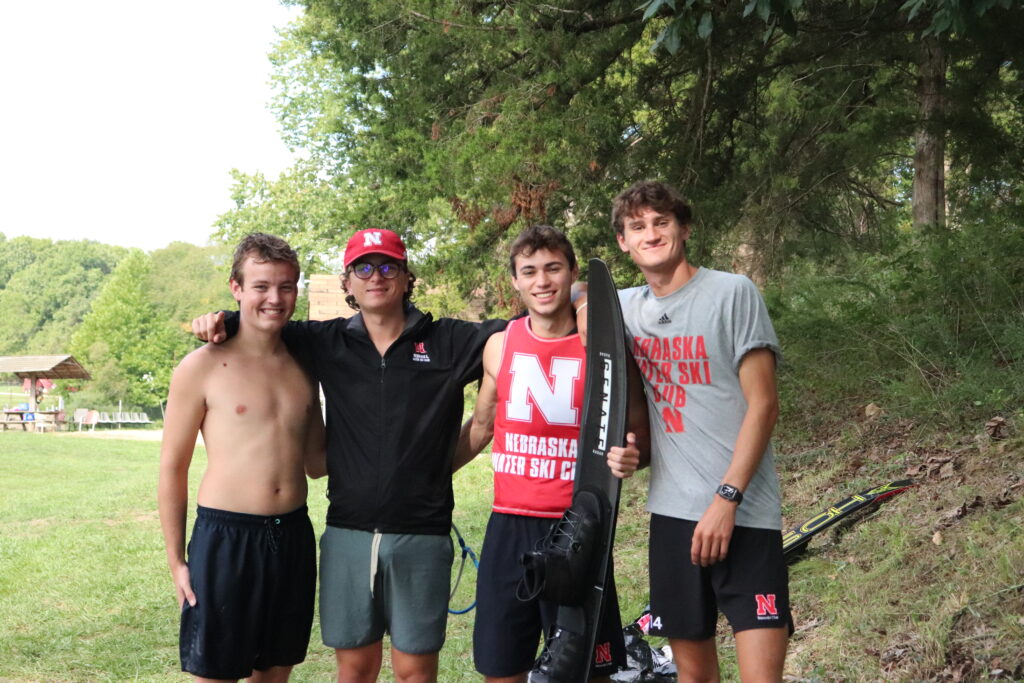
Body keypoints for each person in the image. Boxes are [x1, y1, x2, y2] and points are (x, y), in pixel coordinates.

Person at [191, 228, 507, 683]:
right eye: (363, 267)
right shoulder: (325, 341)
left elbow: (518, 331)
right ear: (348, 282)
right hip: (346, 533)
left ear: (405, 276)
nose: (375, 276)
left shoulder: (448, 342)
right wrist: (220, 317)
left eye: (387, 266)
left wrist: (578, 295)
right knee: (354, 669)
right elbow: (263, 317)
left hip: (422, 533)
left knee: (415, 672)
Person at [611, 181, 791, 682]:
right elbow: (571, 302)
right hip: (671, 517)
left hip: (745, 512)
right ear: (623, 242)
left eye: (661, 221)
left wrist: (726, 499)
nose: (651, 233)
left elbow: (764, 405)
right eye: (637, 226)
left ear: (684, 228)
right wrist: (632, 452)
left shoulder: (732, 292)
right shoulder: (622, 309)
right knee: (694, 677)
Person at [454, 225, 649, 683]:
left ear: (572, 273)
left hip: (578, 527)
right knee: (502, 668)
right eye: (529, 271)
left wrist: (633, 455)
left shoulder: (601, 348)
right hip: (508, 525)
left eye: (553, 268)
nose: (542, 281)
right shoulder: (500, 345)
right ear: (516, 282)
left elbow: (635, 429)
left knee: (587, 670)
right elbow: (481, 427)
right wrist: (426, 479)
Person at [158, 233, 327, 683]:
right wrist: (177, 560)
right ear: (236, 288)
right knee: (215, 674)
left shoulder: (306, 367)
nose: (275, 298)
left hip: (291, 536)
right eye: (261, 286)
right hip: (225, 538)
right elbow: (172, 468)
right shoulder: (202, 366)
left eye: (287, 286)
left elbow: (317, 462)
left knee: (274, 675)